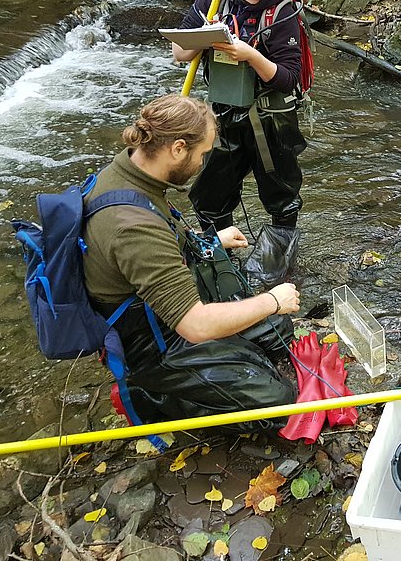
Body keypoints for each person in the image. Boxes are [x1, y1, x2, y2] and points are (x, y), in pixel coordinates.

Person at [83, 94, 300, 427]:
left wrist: (208, 242)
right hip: (152, 343)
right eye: (202, 154)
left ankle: (223, 365)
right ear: (178, 148)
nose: (203, 164)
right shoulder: (132, 227)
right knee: (278, 404)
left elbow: (159, 250)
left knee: (279, 332)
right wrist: (272, 300)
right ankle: (151, 396)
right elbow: (195, 325)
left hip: (160, 308)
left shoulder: (131, 169)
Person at [171, 0, 306, 233]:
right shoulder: (212, 0)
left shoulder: (282, 8)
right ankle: (221, 265)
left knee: (281, 198)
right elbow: (179, 53)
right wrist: (204, 36)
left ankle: (279, 271)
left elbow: (288, 78)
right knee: (209, 198)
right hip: (223, 115)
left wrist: (250, 55)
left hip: (271, 118)